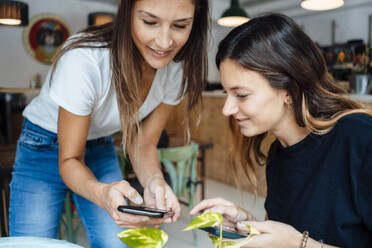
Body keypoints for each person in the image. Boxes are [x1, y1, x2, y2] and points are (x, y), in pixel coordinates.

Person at [9, 0, 209, 247]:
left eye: (180, 25)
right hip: (42, 144)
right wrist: (103, 195)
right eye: (150, 22)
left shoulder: (177, 70)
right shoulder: (85, 60)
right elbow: (70, 159)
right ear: (127, 13)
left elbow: (144, 144)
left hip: (99, 144)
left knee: (115, 242)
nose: (165, 42)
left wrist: (155, 181)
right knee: (31, 243)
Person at [191, 13, 372, 248]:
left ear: (289, 89)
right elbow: (285, 235)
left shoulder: (359, 139)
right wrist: (247, 224)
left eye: (241, 95)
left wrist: (299, 244)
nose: (227, 109)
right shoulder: (279, 154)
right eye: (227, 93)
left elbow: (294, 240)